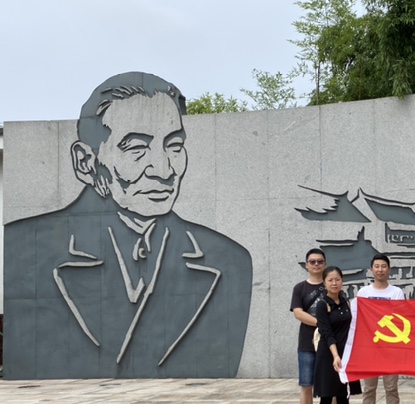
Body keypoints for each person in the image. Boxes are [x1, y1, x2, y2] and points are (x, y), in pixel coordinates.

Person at [4, 71, 252, 380]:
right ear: (86, 162)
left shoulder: (227, 260)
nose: (163, 170)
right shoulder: (24, 247)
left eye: (174, 146)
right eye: (136, 148)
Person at [351, 254, 406, 404]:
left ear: (389, 269)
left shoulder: (396, 292)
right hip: (370, 348)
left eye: (383, 266)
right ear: (371, 270)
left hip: (391, 347)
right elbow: (358, 319)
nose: (380, 269)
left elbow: (401, 317)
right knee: (369, 388)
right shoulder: (363, 293)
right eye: (377, 266)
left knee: (391, 388)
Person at [314, 266, 361, 404]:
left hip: (346, 355)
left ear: (342, 281)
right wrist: (335, 355)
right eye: (330, 280)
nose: (334, 283)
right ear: (324, 283)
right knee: (326, 398)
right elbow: (326, 332)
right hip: (328, 356)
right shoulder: (322, 304)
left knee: (343, 398)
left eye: (337, 279)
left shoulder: (347, 302)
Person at [290, 248, 336, 404]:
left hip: (330, 344)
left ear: (325, 264)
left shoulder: (332, 286)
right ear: (306, 265)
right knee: (306, 385)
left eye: (320, 261)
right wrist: (321, 323)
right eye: (312, 262)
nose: (316, 264)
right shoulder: (300, 288)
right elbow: (298, 313)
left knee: (331, 386)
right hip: (307, 344)